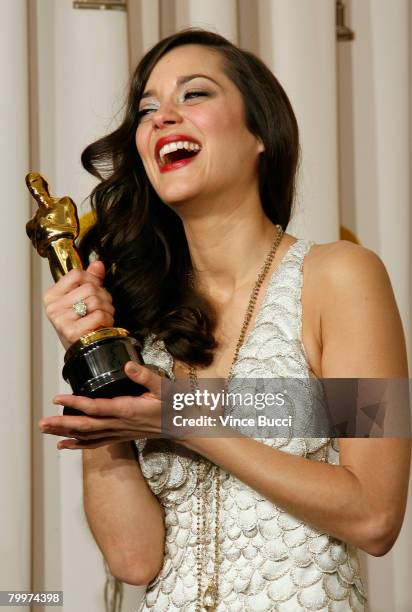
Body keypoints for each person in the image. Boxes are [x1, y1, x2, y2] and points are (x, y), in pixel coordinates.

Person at [39, 29, 411, 611]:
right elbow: (134, 559)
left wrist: (179, 415)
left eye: (193, 95)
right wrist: (94, 356)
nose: (162, 117)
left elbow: (376, 513)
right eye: (146, 108)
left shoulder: (341, 277)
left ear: (260, 131)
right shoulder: (146, 321)